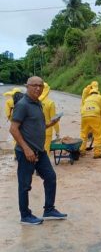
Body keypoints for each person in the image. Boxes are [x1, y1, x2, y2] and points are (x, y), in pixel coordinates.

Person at [9, 76, 67, 225]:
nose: (38, 88)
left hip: (39, 151)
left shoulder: (38, 103)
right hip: (26, 152)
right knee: (25, 185)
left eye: (40, 86)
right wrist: (26, 149)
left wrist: (50, 124)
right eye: (34, 85)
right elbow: (13, 129)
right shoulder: (22, 105)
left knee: (50, 177)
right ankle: (25, 216)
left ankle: (49, 209)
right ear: (27, 86)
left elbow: (36, 126)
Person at [80, 81, 101, 158]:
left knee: (83, 134)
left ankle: (81, 150)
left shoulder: (87, 98)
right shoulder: (100, 97)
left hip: (84, 116)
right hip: (95, 116)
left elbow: (82, 107)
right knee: (98, 134)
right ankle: (97, 153)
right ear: (97, 90)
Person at [39, 82, 60, 152]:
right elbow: (54, 119)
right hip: (47, 131)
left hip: (35, 131)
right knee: (45, 151)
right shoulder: (50, 103)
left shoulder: (34, 101)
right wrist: (57, 132)